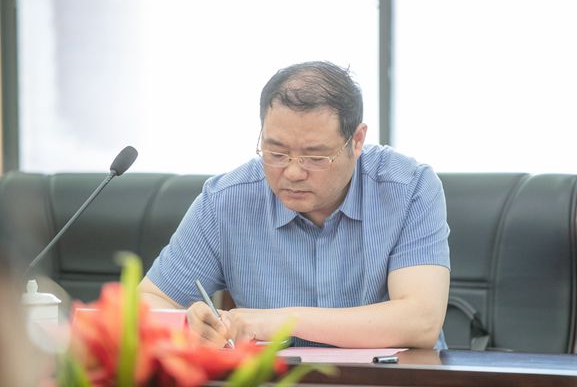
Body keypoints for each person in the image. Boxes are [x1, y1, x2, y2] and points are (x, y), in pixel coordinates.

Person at [138, 61, 450, 349]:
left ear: (356, 141)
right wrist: (189, 323)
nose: (293, 172)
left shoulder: (408, 187)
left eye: (315, 157)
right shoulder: (226, 200)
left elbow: (421, 321)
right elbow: (148, 302)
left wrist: (281, 321)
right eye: (276, 153)